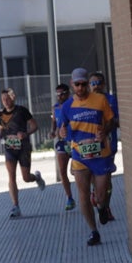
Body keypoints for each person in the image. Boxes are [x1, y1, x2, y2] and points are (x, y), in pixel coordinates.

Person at [58, 67, 116, 246]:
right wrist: (61, 132)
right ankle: (93, 231)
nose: (81, 88)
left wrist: (104, 131)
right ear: (72, 85)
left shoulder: (100, 100)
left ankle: (102, 207)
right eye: (78, 85)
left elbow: (112, 121)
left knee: (100, 196)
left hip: (100, 155)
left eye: (84, 84)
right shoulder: (67, 106)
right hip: (80, 155)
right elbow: (62, 130)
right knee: (83, 195)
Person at [0, 87, 46, 218]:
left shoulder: (22, 110)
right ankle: (15, 206)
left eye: (8, 98)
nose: (6, 101)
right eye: (3, 99)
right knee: (11, 176)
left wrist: (26, 133)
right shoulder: (1, 114)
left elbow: (34, 126)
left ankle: (36, 177)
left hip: (23, 148)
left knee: (25, 178)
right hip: (9, 149)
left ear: (12, 98)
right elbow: (1, 130)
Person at [88, 71, 119, 222]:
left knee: (107, 178)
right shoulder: (86, 101)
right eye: (93, 83)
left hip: (108, 144)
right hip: (91, 146)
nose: (96, 86)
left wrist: (107, 126)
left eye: (98, 83)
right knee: (95, 175)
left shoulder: (111, 100)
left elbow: (118, 120)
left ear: (104, 84)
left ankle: (106, 206)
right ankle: (96, 192)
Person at [50, 83, 75, 211]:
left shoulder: (73, 104)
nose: (60, 96)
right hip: (62, 142)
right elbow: (54, 123)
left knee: (75, 171)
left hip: (74, 140)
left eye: (62, 93)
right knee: (62, 171)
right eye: (57, 94)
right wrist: (53, 132)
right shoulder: (55, 108)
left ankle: (90, 191)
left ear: (68, 93)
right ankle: (70, 198)